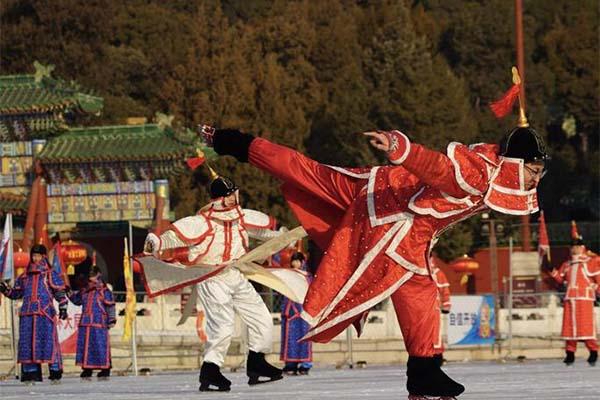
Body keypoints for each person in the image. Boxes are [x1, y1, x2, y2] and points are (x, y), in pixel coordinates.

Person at [200, 122, 548, 399]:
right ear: (513, 163)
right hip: (395, 217)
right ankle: (424, 372)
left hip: (375, 185)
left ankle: (230, 140)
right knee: (419, 289)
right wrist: (402, 148)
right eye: (533, 170)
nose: (536, 179)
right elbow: (436, 166)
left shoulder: (492, 170)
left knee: (305, 170)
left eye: (539, 172)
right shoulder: (474, 175)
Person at [144, 171, 284, 392]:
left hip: (236, 274)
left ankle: (257, 363)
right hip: (212, 277)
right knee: (223, 325)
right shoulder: (203, 221)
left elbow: (261, 231)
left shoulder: (239, 216)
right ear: (223, 197)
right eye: (232, 194)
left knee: (262, 317)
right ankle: (210, 370)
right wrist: (158, 242)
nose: (236, 197)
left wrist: (281, 237)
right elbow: (178, 235)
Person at [0, 244, 68, 384]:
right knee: (28, 344)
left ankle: (55, 371)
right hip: (28, 314)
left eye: (38, 255)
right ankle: (31, 373)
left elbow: (59, 292)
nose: (35, 258)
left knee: (48, 342)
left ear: (43, 256)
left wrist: (63, 307)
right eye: (33, 255)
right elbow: (16, 293)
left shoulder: (49, 273)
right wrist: (5, 290)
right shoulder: (25, 276)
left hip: (44, 313)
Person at [550, 235, 599, 366]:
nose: (574, 249)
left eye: (577, 247)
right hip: (570, 298)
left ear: (582, 248)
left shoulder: (590, 262)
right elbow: (560, 279)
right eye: (572, 247)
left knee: (586, 326)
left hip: (584, 297)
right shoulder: (567, 264)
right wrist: (552, 271)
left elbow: (598, 279)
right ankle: (570, 353)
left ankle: (593, 351)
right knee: (569, 327)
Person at [68, 265, 116, 380]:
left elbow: (110, 305)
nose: (91, 278)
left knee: (100, 346)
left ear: (98, 275)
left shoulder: (104, 291)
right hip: (86, 323)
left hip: (99, 323)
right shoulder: (85, 290)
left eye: (93, 275)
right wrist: (68, 292)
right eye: (90, 275)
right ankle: (87, 369)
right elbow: (76, 301)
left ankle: (105, 369)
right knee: (86, 347)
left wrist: (111, 319)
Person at [280, 251, 313, 375]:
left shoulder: (307, 276)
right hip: (290, 309)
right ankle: (290, 364)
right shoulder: (288, 275)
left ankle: (305, 364)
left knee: (304, 337)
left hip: (303, 310)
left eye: (298, 261)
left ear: (302, 262)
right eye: (293, 260)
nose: (295, 263)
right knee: (289, 338)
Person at [431, 261, 451, 366]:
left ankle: (438, 356)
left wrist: (446, 304)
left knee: (436, 332)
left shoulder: (437, 273)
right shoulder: (415, 269)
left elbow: (444, 290)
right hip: (420, 309)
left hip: (434, 308)